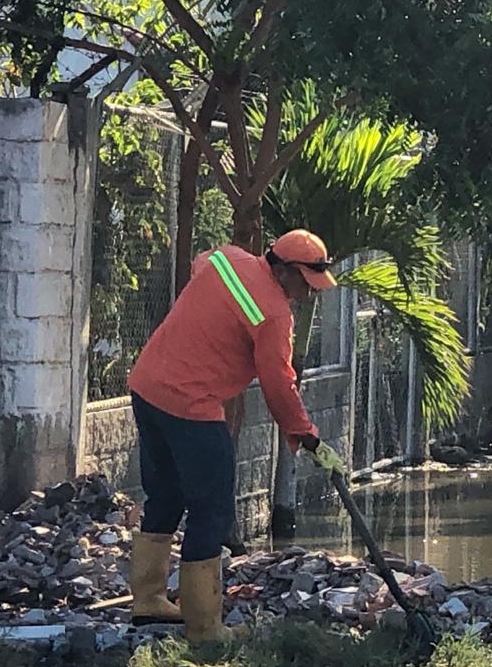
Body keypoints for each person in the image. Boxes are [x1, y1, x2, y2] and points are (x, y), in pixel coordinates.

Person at [126, 230, 346, 641]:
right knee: (212, 511)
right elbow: (278, 383)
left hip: (147, 388)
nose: (306, 295)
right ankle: (205, 627)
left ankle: (148, 600)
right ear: (281, 270)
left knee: (167, 494)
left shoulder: (226, 260)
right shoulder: (274, 314)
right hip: (190, 405)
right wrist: (306, 435)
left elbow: (200, 263)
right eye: (303, 284)